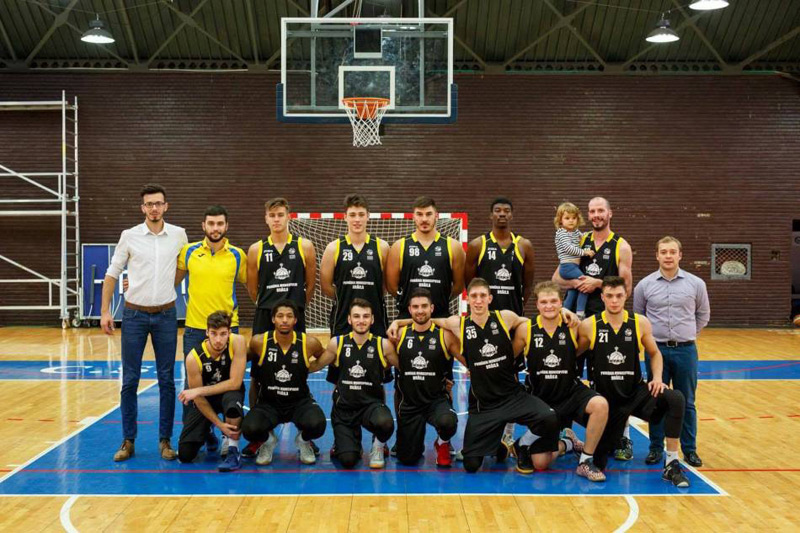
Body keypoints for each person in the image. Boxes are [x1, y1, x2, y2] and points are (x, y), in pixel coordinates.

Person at [391, 278, 563, 474]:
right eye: (474, 296)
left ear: (490, 298)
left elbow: (535, 322)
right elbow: (428, 320)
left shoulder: (505, 317)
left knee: (550, 417)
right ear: (468, 299)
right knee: (471, 465)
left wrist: (562, 313)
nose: (478, 300)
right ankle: (497, 447)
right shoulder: (458, 324)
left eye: (482, 296)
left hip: (512, 396)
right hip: (484, 405)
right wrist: (398, 321)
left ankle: (522, 444)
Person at [101, 183, 187, 462]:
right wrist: (105, 311)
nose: (154, 208)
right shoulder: (129, 236)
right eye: (149, 204)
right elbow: (112, 273)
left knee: (167, 380)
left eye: (158, 203)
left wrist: (166, 286)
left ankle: (165, 441)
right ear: (143, 208)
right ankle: (128, 441)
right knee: (130, 380)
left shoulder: (179, 235)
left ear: (166, 206)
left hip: (166, 315)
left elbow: (183, 268)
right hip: (134, 316)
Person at [577, 276, 691, 487]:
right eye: (609, 296)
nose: (614, 300)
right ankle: (577, 445)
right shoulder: (589, 325)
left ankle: (672, 463)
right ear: (602, 297)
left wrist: (657, 378)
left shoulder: (639, 322)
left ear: (626, 296)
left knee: (676, 398)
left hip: (634, 393)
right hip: (606, 402)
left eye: (619, 295)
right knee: (600, 462)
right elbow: (574, 355)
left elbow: (655, 353)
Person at [553, 196, 634, 461]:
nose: (596, 215)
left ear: (610, 213)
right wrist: (578, 283)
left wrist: (598, 284)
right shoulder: (579, 240)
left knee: (613, 381)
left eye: (601, 210)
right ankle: (566, 433)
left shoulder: (621, 245)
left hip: (605, 324)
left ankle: (622, 437)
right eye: (592, 211)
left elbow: (626, 287)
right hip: (576, 325)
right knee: (568, 376)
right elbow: (557, 278)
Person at [244, 197, 316, 457]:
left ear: (288, 217)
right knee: (258, 373)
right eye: (272, 215)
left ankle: (305, 433)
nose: (276, 219)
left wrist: (294, 310)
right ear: (266, 218)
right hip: (266, 316)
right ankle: (261, 436)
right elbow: (253, 288)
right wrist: (270, 308)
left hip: (294, 316)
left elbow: (310, 284)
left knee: (299, 368)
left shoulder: (304, 246)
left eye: (281, 214)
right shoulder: (256, 249)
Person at [514, 282, 608, 481]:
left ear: (561, 303)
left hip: (569, 392)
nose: (549, 306)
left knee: (600, 405)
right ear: (537, 305)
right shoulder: (526, 329)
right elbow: (509, 359)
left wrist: (570, 314)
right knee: (540, 463)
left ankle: (586, 461)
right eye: (544, 302)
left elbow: (579, 350)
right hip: (541, 398)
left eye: (554, 301)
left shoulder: (574, 327)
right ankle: (567, 443)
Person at [465, 197, 536, 449]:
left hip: (510, 323)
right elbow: (469, 282)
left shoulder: (524, 245)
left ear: (512, 215)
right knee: (480, 371)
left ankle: (508, 431)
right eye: (497, 211)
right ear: (491, 215)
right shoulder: (478, 245)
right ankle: (480, 428)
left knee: (510, 375)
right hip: (482, 323)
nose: (502, 214)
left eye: (506, 210)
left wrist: (514, 309)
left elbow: (527, 286)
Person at [634, 236, 710, 468]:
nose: (668, 256)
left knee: (687, 401)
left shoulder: (696, 284)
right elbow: (639, 317)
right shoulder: (644, 285)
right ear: (657, 255)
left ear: (680, 255)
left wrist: (687, 334)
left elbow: (703, 315)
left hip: (685, 350)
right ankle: (656, 448)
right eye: (664, 252)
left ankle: (690, 449)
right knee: (657, 399)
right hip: (655, 351)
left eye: (672, 252)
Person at [312, 299, 398, 469]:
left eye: (366, 316)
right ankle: (352, 443)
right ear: (349, 319)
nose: (361, 320)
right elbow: (316, 365)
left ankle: (378, 446)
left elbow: (406, 368)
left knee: (386, 423)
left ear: (372, 319)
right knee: (348, 460)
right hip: (344, 410)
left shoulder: (383, 345)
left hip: (371, 406)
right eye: (357, 316)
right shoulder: (337, 343)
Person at [241, 300, 327, 466]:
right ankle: (268, 441)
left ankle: (303, 441)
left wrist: (311, 367)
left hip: (299, 402)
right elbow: (241, 359)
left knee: (318, 425)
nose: (285, 320)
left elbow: (325, 356)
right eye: (280, 316)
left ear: (295, 320)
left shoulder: (309, 343)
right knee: (249, 429)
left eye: (289, 316)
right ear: (273, 319)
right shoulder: (259, 342)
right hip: (269, 404)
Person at [392, 288, 458, 467]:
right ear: (409, 309)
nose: (420, 310)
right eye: (415, 307)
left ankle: (442, 443)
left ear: (432, 308)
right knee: (407, 459)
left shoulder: (445, 335)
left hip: (436, 401)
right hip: (410, 404)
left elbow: (468, 360)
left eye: (424, 306)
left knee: (448, 422)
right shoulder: (398, 335)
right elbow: (384, 363)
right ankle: (414, 441)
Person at [177, 311, 246, 471]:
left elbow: (235, 383)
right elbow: (199, 399)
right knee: (185, 454)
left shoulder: (238, 342)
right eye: (214, 333)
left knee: (233, 403)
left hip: (229, 393)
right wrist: (219, 424)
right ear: (207, 332)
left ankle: (233, 450)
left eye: (223, 334)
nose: (218, 340)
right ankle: (208, 431)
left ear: (229, 332)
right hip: (206, 400)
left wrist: (199, 391)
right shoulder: (194, 358)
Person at [176, 205, 247, 353]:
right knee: (193, 369)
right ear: (203, 225)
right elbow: (170, 281)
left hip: (227, 328)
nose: (215, 228)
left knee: (230, 369)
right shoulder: (188, 251)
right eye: (211, 223)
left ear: (226, 226)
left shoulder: (238, 255)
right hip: (195, 328)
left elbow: (253, 286)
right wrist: (138, 283)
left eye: (220, 223)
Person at [320, 193, 390, 337]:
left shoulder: (382, 247)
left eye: (361, 214)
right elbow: (326, 286)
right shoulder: (333, 248)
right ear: (345, 217)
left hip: (375, 316)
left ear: (368, 216)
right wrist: (344, 296)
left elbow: (385, 285)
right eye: (352, 215)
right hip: (343, 316)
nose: (357, 219)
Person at [386, 196, 465, 320]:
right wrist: (407, 300)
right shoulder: (399, 246)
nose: (424, 219)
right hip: (408, 318)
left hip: (441, 317)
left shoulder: (453, 246)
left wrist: (441, 299)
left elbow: (459, 286)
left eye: (429, 214)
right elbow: (391, 286)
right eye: (419, 214)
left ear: (436, 216)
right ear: (413, 216)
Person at [553, 202, 595, 318]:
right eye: (567, 218)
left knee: (574, 289)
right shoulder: (562, 233)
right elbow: (568, 248)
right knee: (584, 284)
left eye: (574, 218)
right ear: (560, 220)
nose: (571, 221)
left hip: (573, 266)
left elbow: (583, 236)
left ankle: (565, 311)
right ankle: (580, 312)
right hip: (567, 267)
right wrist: (584, 252)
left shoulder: (574, 232)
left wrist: (591, 234)